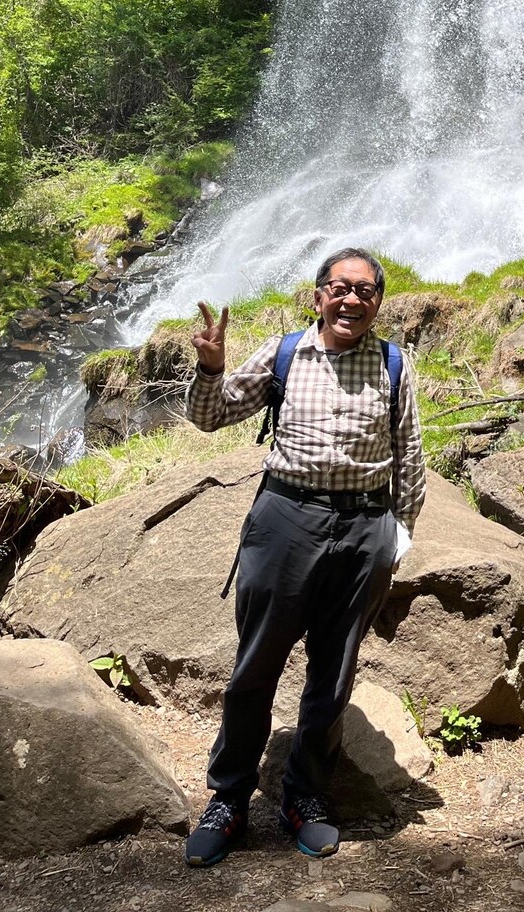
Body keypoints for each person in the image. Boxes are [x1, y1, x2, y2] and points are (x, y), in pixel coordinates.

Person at [181, 247, 425, 868]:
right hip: (286, 519)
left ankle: (304, 798)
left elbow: (410, 455)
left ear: (377, 303)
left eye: (365, 292)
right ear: (318, 296)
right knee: (255, 666)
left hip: (365, 526)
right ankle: (228, 800)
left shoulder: (395, 363)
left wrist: (401, 532)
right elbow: (211, 418)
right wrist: (211, 368)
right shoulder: (285, 352)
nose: (351, 300)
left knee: (333, 675)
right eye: (339, 288)